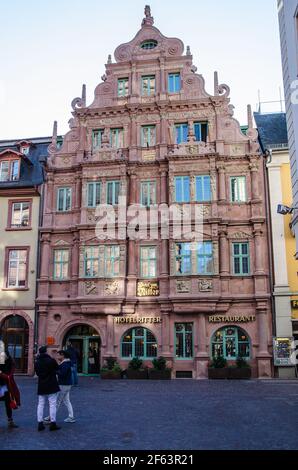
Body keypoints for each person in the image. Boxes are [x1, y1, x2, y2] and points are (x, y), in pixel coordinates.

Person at [44, 350, 76, 424]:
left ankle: (50, 418)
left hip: (63, 385)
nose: (57, 357)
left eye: (58, 355)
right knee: (67, 401)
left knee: (57, 401)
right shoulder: (66, 363)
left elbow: (62, 374)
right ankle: (71, 417)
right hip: (67, 384)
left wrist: (55, 371)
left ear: (63, 355)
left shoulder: (65, 364)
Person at [34, 346, 61, 432]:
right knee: (52, 404)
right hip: (52, 383)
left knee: (40, 404)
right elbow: (58, 369)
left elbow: (37, 373)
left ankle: (40, 423)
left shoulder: (37, 362)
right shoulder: (51, 360)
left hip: (42, 384)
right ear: (46, 352)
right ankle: (53, 423)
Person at [0, 344, 20, 429]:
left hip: (6, 385)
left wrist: (7, 376)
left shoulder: (8, 360)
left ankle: (10, 421)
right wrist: (5, 375)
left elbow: (11, 368)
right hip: (4, 384)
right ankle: (10, 421)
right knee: (8, 402)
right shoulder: (7, 360)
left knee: (8, 402)